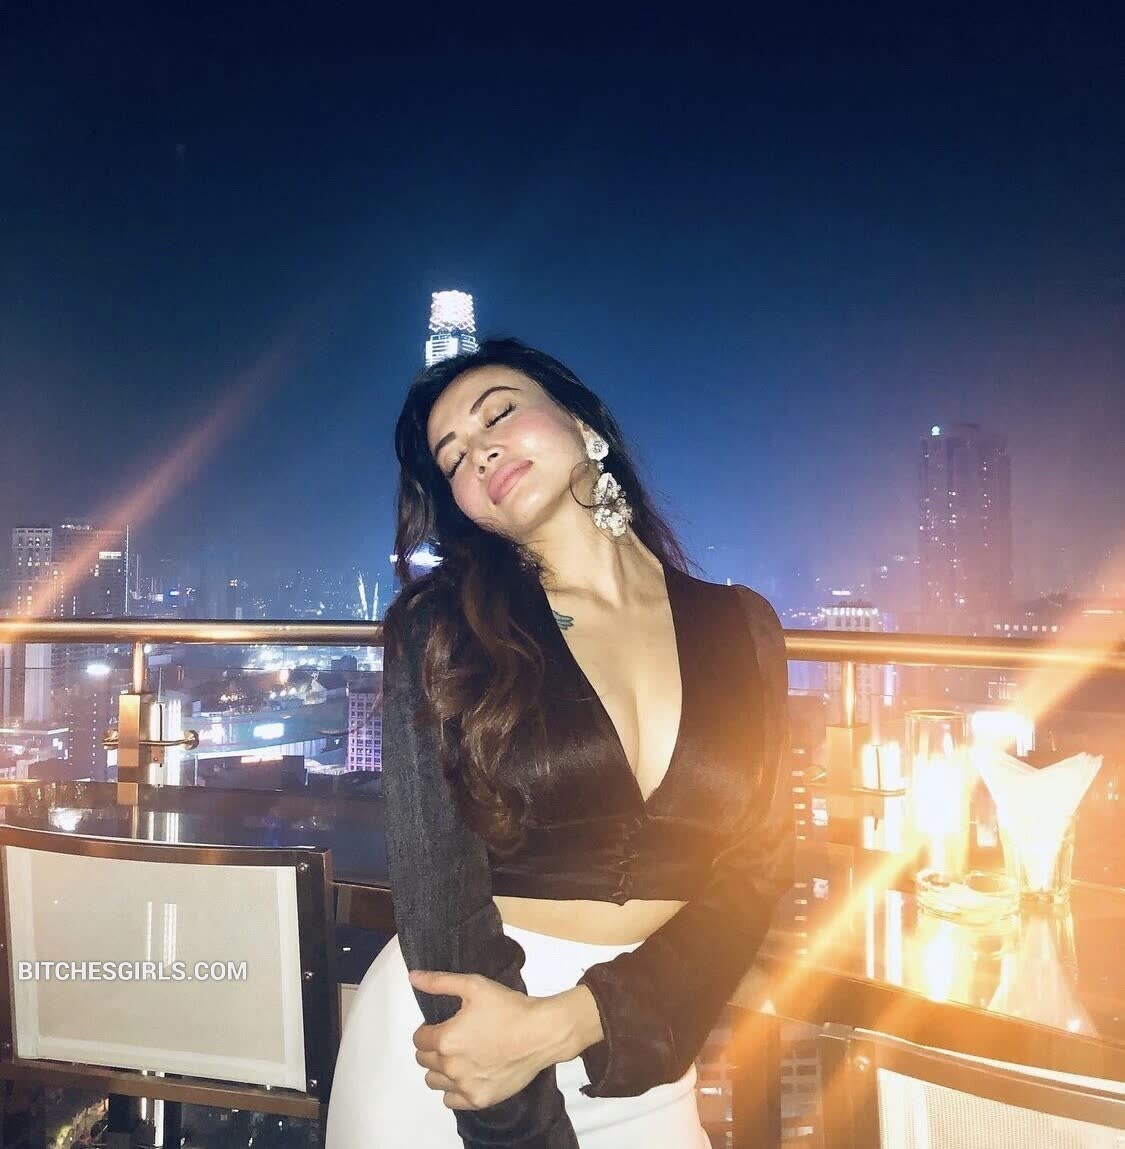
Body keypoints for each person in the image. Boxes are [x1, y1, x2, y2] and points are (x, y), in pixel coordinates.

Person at [325, 338, 794, 1147]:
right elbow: (438, 897)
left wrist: (582, 1017)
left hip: (646, 1039)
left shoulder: (742, 626)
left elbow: (758, 868)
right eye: (453, 457)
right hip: (459, 1053)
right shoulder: (444, 632)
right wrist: (516, 1118)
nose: (480, 451)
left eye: (498, 413)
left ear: (582, 421)